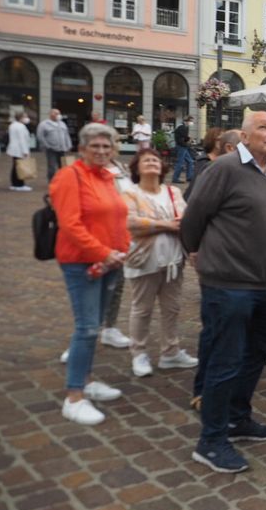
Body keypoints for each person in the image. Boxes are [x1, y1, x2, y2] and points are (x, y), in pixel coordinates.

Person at [181, 111, 266, 474]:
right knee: (225, 362)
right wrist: (195, 251)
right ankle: (210, 441)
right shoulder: (225, 168)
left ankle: (238, 419)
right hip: (228, 285)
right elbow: (194, 217)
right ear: (244, 135)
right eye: (264, 127)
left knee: (256, 355)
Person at [50, 123, 130, 425]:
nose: (101, 151)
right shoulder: (69, 177)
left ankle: (86, 378)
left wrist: (121, 249)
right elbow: (71, 225)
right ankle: (74, 396)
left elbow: (118, 217)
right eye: (94, 146)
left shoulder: (107, 177)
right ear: (82, 148)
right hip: (82, 262)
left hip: (109, 261)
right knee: (85, 328)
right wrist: (103, 253)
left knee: (94, 325)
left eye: (106, 146)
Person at [122, 149, 198, 378]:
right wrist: (166, 225)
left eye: (155, 160)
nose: (152, 163)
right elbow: (131, 223)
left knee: (172, 309)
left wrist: (158, 224)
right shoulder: (129, 193)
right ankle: (138, 352)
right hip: (144, 260)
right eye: (146, 160)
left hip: (173, 261)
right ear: (136, 167)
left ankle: (170, 351)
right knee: (142, 309)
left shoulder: (173, 191)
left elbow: (185, 219)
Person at [37, 108, 73, 182]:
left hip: (62, 149)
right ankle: (52, 181)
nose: (58, 115)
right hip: (51, 149)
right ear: (50, 114)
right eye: (56, 113)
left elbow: (66, 135)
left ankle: (62, 180)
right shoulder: (44, 124)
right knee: (52, 166)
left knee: (63, 166)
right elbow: (40, 136)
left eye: (59, 113)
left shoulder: (62, 124)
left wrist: (69, 145)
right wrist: (47, 145)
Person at [6, 110, 33, 192]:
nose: (26, 118)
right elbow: (22, 140)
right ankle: (19, 184)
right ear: (20, 117)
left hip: (14, 149)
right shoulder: (21, 126)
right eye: (25, 116)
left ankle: (14, 184)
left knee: (15, 167)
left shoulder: (12, 125)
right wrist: (25, 152)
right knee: (19, 167)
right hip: (19, 150)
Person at [172, 116, 195, 183]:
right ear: (187, 121)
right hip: (181, 146)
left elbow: (184, 137)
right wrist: (188, 138)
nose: (192, 122)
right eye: (191, 121)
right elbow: (182, 138)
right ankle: (175, 178)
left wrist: (188, 139)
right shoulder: (182, 127)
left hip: (183, 146)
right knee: (180, 162)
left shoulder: (184, 127)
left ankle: (189, 177)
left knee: (190, 161)